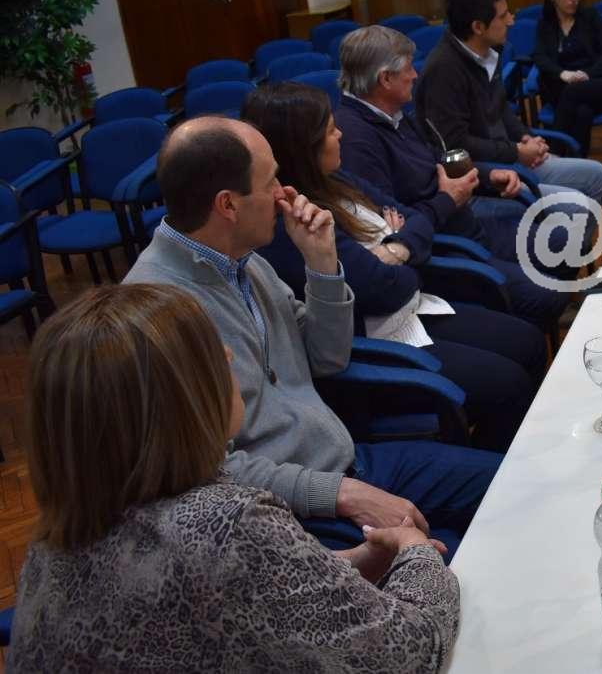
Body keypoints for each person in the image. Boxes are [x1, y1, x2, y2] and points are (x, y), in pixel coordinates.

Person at [9, 283, 460, 671]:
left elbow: (240, 595)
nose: (227, 353)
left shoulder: (49, 544)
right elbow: (412, 651)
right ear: (175, 401)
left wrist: (351, 562)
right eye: (209, 351)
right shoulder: (227, 523)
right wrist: (416, 552)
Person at [123, 116, 501, 546]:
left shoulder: (244, 260)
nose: (284, 192)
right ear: (228, 205)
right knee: (456, 556)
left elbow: (328, 357)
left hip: (346, 463)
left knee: (510, 487)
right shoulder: (155, 313)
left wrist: (321, 264)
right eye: (270, 181)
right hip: (287, 516)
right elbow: (210, 472)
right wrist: (338, 494)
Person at [243, 81, 546, 453]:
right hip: (377, 342)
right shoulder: (293, 220)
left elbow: (415, 219)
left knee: (528, 341)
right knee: (510, 382)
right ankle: (501, 470)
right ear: (303, 147)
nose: (340, 135)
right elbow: (384, 289)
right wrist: (401, 250)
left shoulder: (335, 177)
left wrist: (395, 250)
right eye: (330, 130)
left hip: (411, 308)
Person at [332, 25, 570, 328]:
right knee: (546, 295)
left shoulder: (394, 114)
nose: (415, 75)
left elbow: (438, 162)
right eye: (408, 69)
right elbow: (391, 226)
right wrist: (447, 199)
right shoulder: (355, 139)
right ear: (385, 79)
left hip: (463, 224)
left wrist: (488, 176)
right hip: (442, 249)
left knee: (565, 239)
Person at [418, 0, 602, 207]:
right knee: (577, 207)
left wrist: (524, 137)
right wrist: (517, 151)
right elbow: (456, 145)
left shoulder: (488, 52)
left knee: (599, 176)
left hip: (508, 158)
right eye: (503, 16)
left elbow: (501, 110)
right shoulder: (443, 70)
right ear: (478, 27)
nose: (511, 21)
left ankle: (572, 231)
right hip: (484, 178)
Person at [531, 0, 602, 155]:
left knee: (574, 92)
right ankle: (578, 163)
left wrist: (588, 74)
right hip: (563, 86)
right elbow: (539, 56)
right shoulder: (546, 24)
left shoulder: (590, 16)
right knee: (583, 112)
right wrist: (562, 73)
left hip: (597, 82)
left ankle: (554, 155)